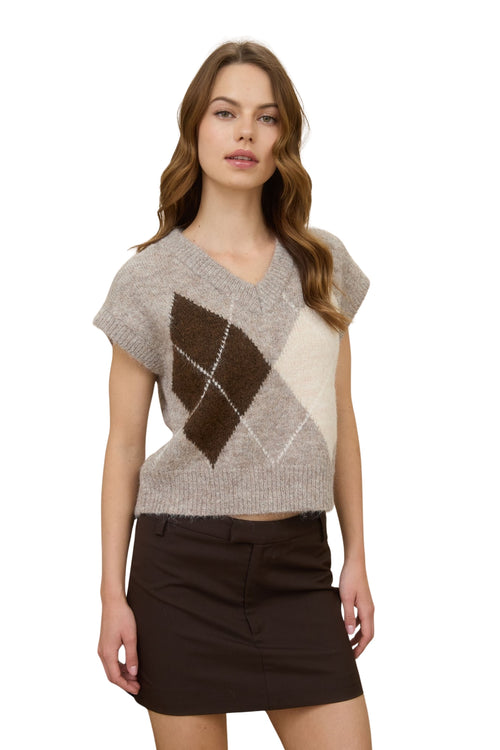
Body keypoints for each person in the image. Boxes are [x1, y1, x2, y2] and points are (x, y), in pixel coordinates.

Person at [93, 39, 374, 750]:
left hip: (299, 568)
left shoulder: (321, 264)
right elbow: (124, 447)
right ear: (195, 126)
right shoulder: (149, 280)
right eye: (226, 113)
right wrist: (111, 594)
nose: (245, 132)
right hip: (181, 575)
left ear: (284, 137)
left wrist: (356, 555)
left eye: (266, 117)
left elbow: (340, 418)